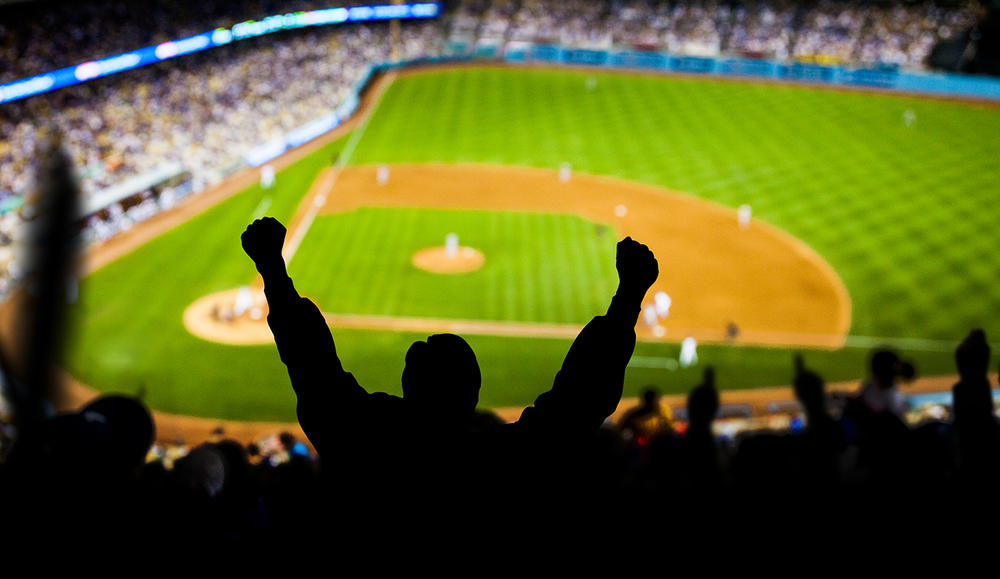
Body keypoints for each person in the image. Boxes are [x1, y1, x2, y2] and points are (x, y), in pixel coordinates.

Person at [241, 216, 659, 518]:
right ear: (475, 393)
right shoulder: (503, 461)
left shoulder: (362, 439)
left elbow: (313, 369)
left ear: (405, 385)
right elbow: (575, 409)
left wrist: (273, 270)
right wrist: (627, 299)